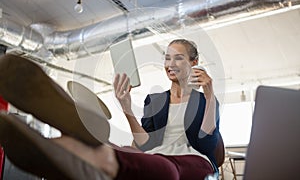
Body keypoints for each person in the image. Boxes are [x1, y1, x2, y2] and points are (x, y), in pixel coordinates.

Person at [0, 39, 222, 180]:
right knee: (121, 150)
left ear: (194, 62)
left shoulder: (205, 101)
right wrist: (126, 107)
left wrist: (210, 94)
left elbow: (206, 143)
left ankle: (86, 145)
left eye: (178, 58)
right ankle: (73, 143)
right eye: (167, 58)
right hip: (156, 154)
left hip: (195, 161)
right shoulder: (155, 101)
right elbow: (147, 143)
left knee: (169, 171)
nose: (170, 64)